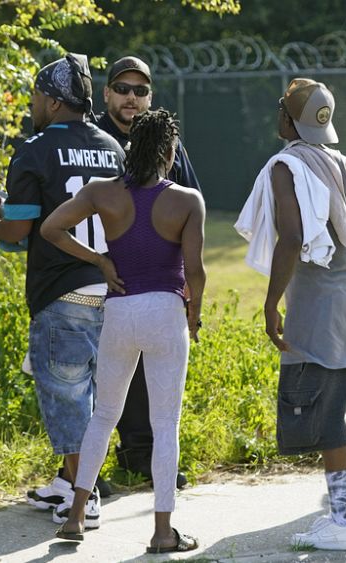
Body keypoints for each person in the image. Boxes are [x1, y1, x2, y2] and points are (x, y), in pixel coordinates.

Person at [236, 78, 346, 551]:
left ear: (289, 120)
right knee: (345, 408)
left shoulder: (286, 166)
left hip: (316, 305)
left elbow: (291, 239)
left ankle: (343, 522)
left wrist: (271, 304)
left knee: (327, 413)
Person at [45, 109, 205, 552]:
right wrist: (195, 317)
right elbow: (196, 271)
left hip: (118, 310)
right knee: (165, 423)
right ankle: (161, 531)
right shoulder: (188, 200)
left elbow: (50, 228)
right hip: (166, 310)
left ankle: (75, 515)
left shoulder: (102, 192)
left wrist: (99, 260)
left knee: (103, 415)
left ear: (131, 148)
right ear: (170, 153)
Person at [0, 53, 125, 526]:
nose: (31, 104)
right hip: (112, 289)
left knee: (66, 399)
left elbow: (18, 229)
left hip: (62, 290)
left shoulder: (35, 148)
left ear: (50, 100)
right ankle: (69, 483)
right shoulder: (114, 146)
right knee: (89, 393)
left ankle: (81, 500)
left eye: (33, 97)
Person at [95, 56, 200, 487]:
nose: (131, 98)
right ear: (106, 93)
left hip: (155, 282)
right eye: (123, 88)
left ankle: (143, 454)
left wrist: (190, 293)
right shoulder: (94, 140)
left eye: (141, 90)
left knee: (150, 374)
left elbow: (191, 207)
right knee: (91, 379)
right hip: (97, 277)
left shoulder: (167, 143)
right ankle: (77, 473)